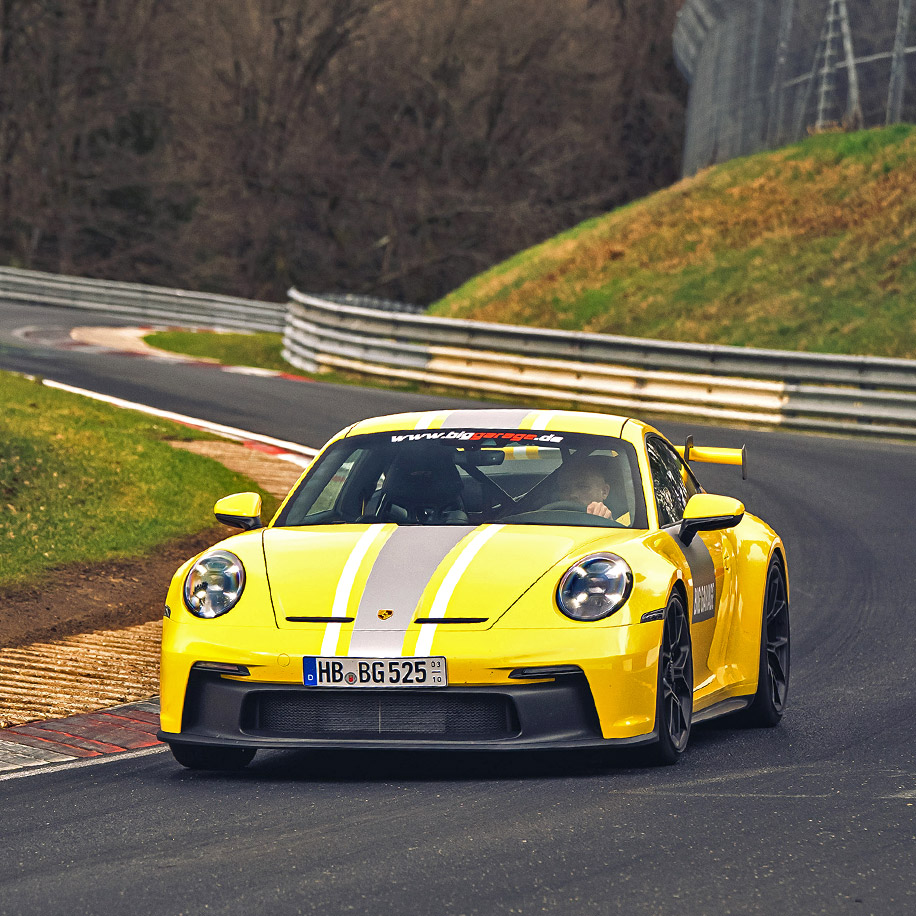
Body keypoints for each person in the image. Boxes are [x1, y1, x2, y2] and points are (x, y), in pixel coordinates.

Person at [549, 456, 614, 518]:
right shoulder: (546, 521)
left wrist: (608, 522)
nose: (573, 495)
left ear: (604, 492)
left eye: (583, 487)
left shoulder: (621, 526)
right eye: (565, 489)